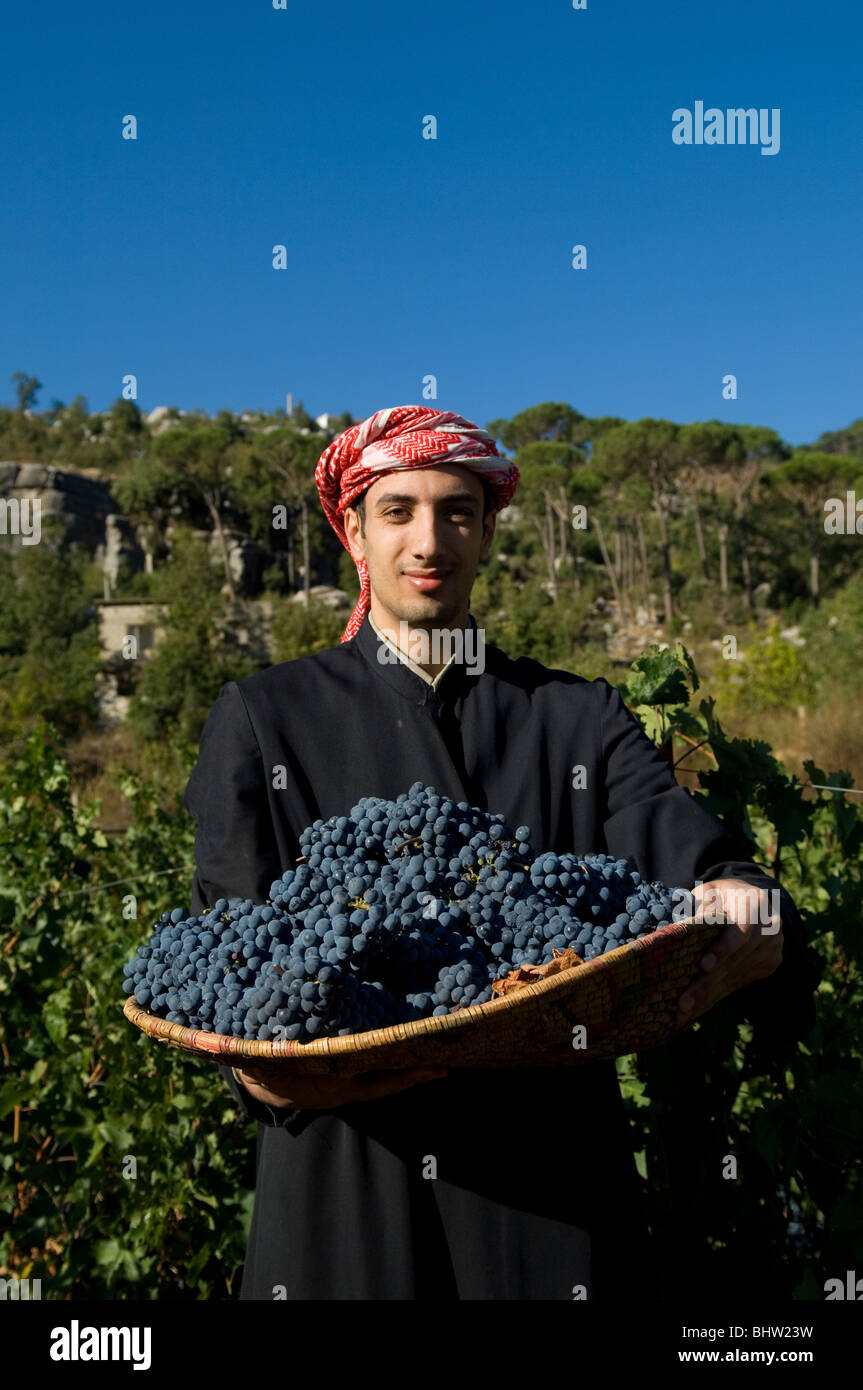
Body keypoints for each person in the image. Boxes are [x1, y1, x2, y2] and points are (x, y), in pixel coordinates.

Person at [183, 404, 816, 1300]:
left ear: (487, 535)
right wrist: (273, 1081)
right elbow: (231, 964)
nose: (428, 539)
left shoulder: (577, 718)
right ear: (354, 534)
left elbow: (694, 853)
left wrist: (746, 904)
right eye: (397, 510)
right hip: (347, 1193)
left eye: (457, 512)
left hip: (552, 1196)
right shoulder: (262, 717)